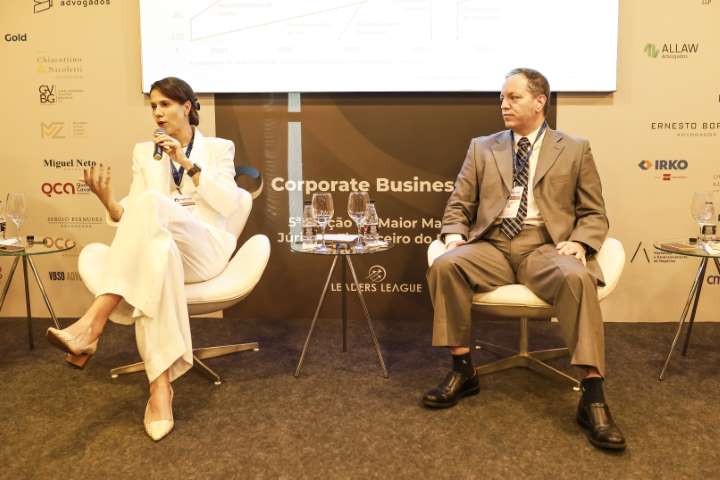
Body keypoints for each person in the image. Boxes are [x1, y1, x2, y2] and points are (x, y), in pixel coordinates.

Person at [422, 68, 626, 451]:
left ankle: (593, 395)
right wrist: (453, 236)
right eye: (502, 98)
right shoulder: (482, 147)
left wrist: (581, 242)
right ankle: (463, 370)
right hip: (493, 244)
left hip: (545, 246)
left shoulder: (575, 148)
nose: (504, 104)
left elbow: (594, 213)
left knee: (577, 278)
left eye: (513, 97)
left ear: (539, 101)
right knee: (446, 265)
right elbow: (459, 204)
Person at [46, 77, 243, 441]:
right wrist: (109, 203)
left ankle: (93, 322)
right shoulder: (144, 152)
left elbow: (230, 204)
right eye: (153, 106)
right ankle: (160, 389)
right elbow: (133, 216)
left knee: (153, 204)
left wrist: (186, 162)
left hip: (204, 248)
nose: (157, 113)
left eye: (165, 104)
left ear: (187, 107)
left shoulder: (218, 148)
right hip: (166, 246)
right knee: (157, 251)